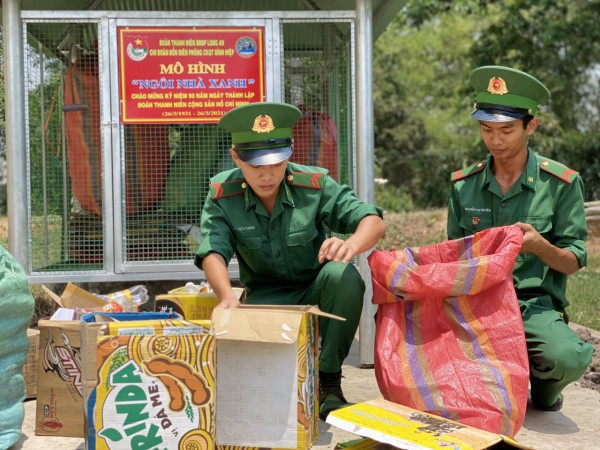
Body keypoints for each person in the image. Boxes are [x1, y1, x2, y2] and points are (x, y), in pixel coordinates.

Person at [194, 101, 385, 419]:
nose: (267, 176)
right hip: (266, 299)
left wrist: (350, 244)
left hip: (316, 289)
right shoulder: (222, 194)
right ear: (236, 157)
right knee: (266, 398)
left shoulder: (313, 184)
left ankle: (329, 383)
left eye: (276, 164)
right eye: (255, 165)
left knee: (344, 276)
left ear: (289, 154)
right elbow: (213, 249)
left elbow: (371, 220)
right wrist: (227, 296)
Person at [447, 65, 593, 411]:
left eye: (507, 130)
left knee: (566, 357)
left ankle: (543, 389)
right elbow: (454, 255)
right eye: (486, 129)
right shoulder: (464, 185)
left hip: (533, 307)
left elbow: (573, 261)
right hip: (478, 305)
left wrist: (539, 245)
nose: (495, 140)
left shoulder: (561, 184)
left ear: (531, 126)